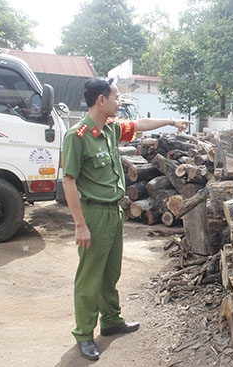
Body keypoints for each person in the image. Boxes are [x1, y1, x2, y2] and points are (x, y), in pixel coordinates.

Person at [62, 77, 190, 361]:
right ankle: (84, 334)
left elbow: (141, 125)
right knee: (89, 277)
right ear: (101, 100)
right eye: (116, 98)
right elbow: (68, 181)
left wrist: (171, 121)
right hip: (93, 213)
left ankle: (110, 321)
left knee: (110, 272)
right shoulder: (78, 135)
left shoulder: (109, 129)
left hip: (113, 211)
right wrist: (80, 224)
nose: (119, 103)